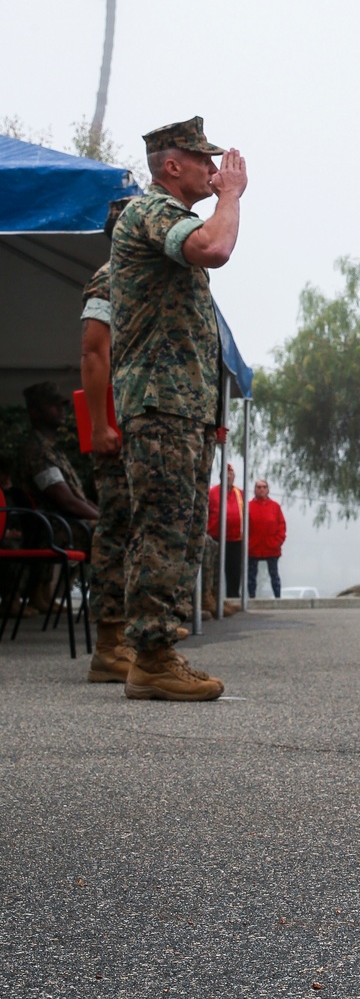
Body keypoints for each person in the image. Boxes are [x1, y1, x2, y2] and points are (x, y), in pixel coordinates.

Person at [111, 116, 247, 702]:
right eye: (202, 160)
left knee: (184, 529)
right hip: (159, 403)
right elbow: (214, 247)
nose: (212, 170)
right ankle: (149, 656)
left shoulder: (173, 215)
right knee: (162, 528)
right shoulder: (152, 213)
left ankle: (160, 650)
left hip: (183, 407)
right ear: (172, 166)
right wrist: (233, 196)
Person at [80, 198, 140, 682]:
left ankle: (130, 632)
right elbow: (94, 352)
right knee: (116, 529)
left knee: (137, 529)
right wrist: (101, 425)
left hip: (135, 423)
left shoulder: (136, 277)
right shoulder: (109, 277)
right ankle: (108, 643)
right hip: (116, 425)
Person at [16, 381, 99, 610]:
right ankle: (123, 608)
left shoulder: (51, 449)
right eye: (53, 405)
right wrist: (103, 520)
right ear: (35, 412)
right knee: (115, 536)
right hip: (53, 528)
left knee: (114, 528)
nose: (62, 410)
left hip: (62, 525)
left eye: (61, 404)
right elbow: (66, 501)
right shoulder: (38, 451)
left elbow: (78, 498)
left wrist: (102, 515)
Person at [208, 462, 245, 601]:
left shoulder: (239, 494)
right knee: (215, 569)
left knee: (234, 570)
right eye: (226, 474)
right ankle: (213, 597)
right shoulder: (213, 493)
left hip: (235, 539)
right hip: (216, 537)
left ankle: (233, 596)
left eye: (231, 474)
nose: (229, 477)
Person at [248, 479, 286, 599]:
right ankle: (252, 598)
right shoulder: (248, 506)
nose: (261, 489)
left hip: (271, 548)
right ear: (255, 489)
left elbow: (282, 526)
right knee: (251, 575)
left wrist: (277, 542)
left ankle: (278, 597)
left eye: (264, 487)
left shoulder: (275, 506)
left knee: (274, 575)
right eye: (258, 487)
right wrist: (247, 544)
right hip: (253, 548)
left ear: (268, 489)